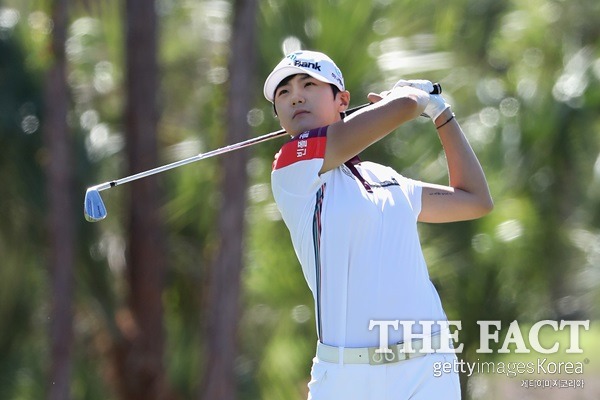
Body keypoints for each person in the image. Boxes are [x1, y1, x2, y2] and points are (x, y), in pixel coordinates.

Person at [264, 50, 493, 399]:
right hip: (347, 377)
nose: (295, 95)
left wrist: (441, 113)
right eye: (283, 93)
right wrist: (414, 96)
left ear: (343, 100)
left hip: (427, 367)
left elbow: (475, 200)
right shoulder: (291, 166)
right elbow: (402, 108)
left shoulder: (385, 178)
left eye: (308, 84)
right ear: (280, 115)